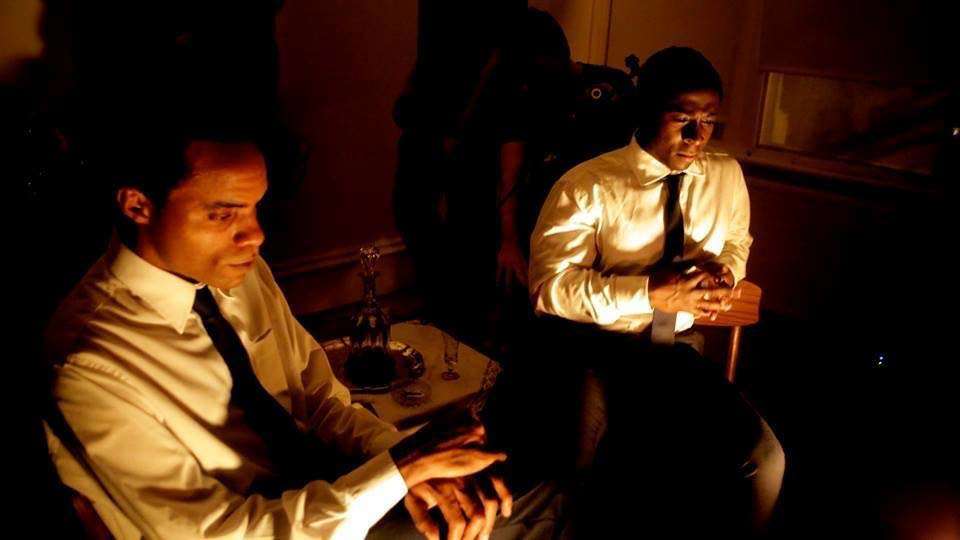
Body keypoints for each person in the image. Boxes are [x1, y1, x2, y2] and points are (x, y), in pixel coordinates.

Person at [43, 127, 546, 539]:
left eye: (255, 207)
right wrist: (396, 472)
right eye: (224, 214)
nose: (255, 235)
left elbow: (321, 400)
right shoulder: (88, 366)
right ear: (137, 205)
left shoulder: (238, 272)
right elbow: (215, 533)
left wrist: (403, 468)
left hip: (329, 497)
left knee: (530, 495)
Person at [527, 47, 785, 536]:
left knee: (763, 460)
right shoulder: (587, 186)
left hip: (672, 349)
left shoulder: (725, 175)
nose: (697, 136)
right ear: (647, 112)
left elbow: (737, 240)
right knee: (574, 476)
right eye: (682, 119)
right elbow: (549, 290)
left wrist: (727, 272)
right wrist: (648, 293)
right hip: (594, 348)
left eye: (708, 120)